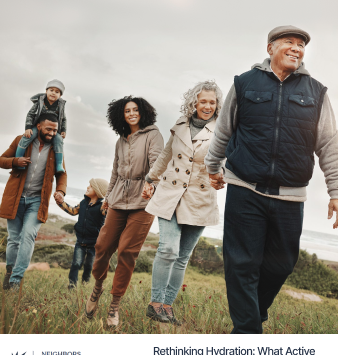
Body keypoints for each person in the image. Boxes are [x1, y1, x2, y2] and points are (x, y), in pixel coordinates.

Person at [205, 25, 338, 334]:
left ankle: (253, 315)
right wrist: (213, 167)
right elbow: (224, 129)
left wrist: (335, 189)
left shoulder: (316, 92)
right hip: (243, 186)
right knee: (241, 264)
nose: (296, 48)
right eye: (289, 42)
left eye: (301, 45)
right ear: (270, 49)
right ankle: (247, 335)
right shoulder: (244, 83)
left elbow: (329, 144)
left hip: (290, 195)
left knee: (281, 265)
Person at [142, 80, 223, 325]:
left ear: (217, 105)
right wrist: (150, 178)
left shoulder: (223, 130)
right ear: (194, 103)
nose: (207, 106)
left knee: (182, 257)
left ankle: (167, 307)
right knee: (168, 249)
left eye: (212, 102)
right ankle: (155, 303)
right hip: (170, 194)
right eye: (203, 101)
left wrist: (222, 176)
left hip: (200, 199)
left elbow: (228, 159)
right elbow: (167, 154)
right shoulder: (179, 125)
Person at [85, 96, 164, 327]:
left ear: (143, 112)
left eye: (135, 110)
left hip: (144, 201)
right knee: (102, 246)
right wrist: (108, 197)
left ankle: (114, 306)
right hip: (118, 199)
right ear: (121, 114)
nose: (131, 113)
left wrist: (152, 184)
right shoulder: (121, 139)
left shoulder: (153, 134)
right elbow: (115, 173)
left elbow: (158, 163)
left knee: (126, 253)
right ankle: (97, 287)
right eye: (127, 110)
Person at [0, 113, 67, 289]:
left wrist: (60, 191)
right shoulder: (21, 141)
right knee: (14, 239)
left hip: (38, 200)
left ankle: (16, 280)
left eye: (55, 130)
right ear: (38, 126)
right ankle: (9, 272)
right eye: (49, 129)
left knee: (28, 235)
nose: (52, 133)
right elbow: (1, 160)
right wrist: (15, 160)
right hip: (15, 197)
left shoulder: (56, 148)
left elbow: (62, 173)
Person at [55, 178, 108, 289]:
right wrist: (61, 203)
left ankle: (85, 283)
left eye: (91, 186)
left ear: (98, 191)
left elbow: (108, 212)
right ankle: (72, 285)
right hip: (80, 241)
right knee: (76, 263)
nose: (88, 187)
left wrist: (109, 204)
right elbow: (73, 211)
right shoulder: (83, 203)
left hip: (94, 244)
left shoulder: (102, 207)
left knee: (89, 266)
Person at [15, 79, 67, 173]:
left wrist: (63, 130)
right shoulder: (40, 101)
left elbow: (63, 119)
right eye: (51, 90)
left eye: (57, 92)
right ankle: (18, 159)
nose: (53, 93)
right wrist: (28, 128)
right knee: (27, 136)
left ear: (60, 95)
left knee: (59, 140)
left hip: (52, 129)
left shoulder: (60, 105)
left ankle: (59, 164)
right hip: (38, 127)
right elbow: (30, 114)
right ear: (46, 91)